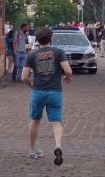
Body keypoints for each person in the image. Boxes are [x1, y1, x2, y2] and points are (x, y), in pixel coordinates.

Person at [22, 25, 72, 166]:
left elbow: (24, 77)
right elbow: (68, 71)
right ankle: (57, 145)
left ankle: (32, 150)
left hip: (38, 91)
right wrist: (67, 78)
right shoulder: (58, 52)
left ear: (37, 40)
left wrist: (31, 86)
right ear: (51, 39)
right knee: (56, 121)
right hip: (55, 91)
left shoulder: (31, 55)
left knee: (35, 120)